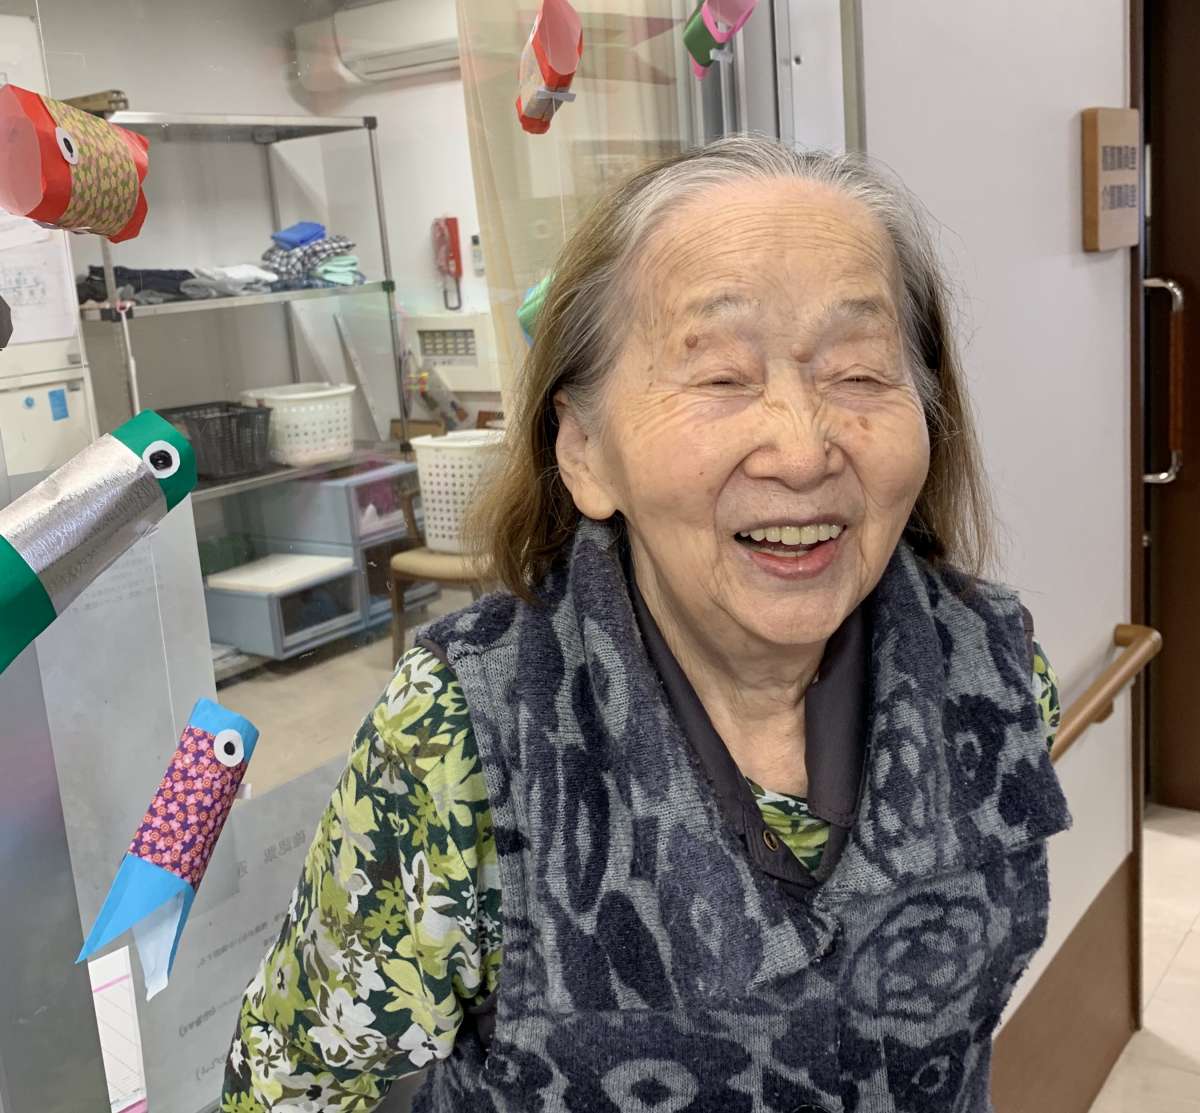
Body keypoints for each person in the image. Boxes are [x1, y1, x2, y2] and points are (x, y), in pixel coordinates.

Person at [221, 136, 1069, 1113]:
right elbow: (293, 1091)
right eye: (721, 377)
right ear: (585, 450)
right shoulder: (469, 734)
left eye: (859, 372)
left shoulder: (993, 668)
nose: (802, 449)